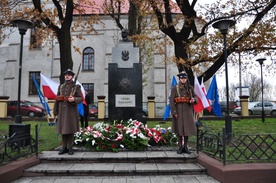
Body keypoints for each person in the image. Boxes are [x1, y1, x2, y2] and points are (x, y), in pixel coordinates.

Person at [53, 69, 83, 155]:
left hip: (71, 111)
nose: (67, 76)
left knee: (70, 129)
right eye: (66, 75)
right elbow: (57, 99)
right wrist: (55, 111)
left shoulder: (76, 87)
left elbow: (81, 98)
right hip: (62, 111)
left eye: (69, 75)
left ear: (72, 77)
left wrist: (74, 99)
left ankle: (70, 147)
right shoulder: (61, 86)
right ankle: (64, 147)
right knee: (63, 129)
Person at [170, 71, 198, 154]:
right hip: (178, 110)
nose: (183, 80)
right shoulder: (175, 88)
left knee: (187, 129)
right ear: (179, 79)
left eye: (185, 78)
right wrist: (174, 111)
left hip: (188, 110)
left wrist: (194, 100)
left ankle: (185, 147)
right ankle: (180, 147)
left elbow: (196, 96)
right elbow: (171, 101)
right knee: (179, 129)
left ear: (186, 79)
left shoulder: (190, 88)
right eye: (182, 78)